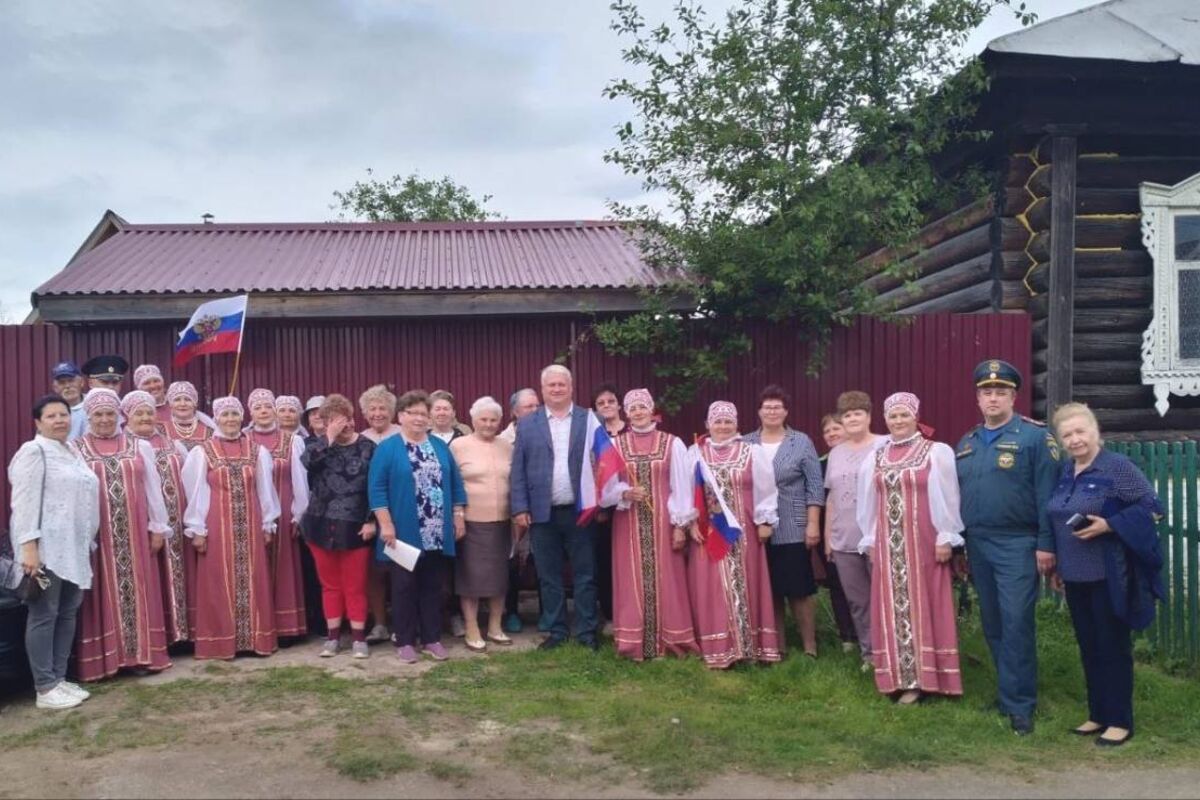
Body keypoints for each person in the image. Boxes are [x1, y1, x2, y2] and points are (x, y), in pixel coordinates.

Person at [1047, 403, 1163, 747]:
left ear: (1095, 431)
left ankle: (1120, 721)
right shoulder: (1066, 472)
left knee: (1113, 647)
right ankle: (1098, 714)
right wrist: (1060, 567)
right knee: (1090, 647)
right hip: (1075, 576)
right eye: (1067, 434)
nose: (1075, 439)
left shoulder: (1117, 468)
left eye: (1081, 431)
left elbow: (1153, 508)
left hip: (1109, 574)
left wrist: (1110, 524)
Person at [955, 359, 1060, 735]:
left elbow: (1050, 496)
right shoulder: (966, 442)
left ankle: (1021, 707)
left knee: (1016, 622)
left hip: (1019, 542)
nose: (993, 397)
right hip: (978, 542)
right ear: (978, 398)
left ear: (1014, 396)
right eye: (987, 391)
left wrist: (1047, 545)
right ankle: (1007, 694)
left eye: (1001, 391)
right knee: (994, 623)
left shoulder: (1035, 438)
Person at [856, 392, 963, 704]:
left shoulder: (935, 452)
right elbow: (868, 503)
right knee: (892, 607)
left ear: (916, 417)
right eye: (893, 416)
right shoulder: (876, 456)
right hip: (889, 545)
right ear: (885, 420)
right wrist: (871, 537)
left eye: (904, 415)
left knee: (926, 603)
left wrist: (947, 534)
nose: (898, 421)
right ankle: (899, 676)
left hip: (924, 541)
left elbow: (948, 495)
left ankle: (930, 677)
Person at [71, 388, 173, 681]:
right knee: (102, 594)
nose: (104, 419)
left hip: (136, 532)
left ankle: (141, 656)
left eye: (109, 414)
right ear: (89, 417)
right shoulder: (77, 449)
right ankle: (106, 660)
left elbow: (154, 489)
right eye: (98, 415)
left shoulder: (138, 446)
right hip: (99, 538)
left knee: (140, 591)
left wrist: (158, 526)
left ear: (119, 415)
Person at [8, 395, 100, 709]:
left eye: (64, 414)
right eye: (52, 416)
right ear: (38, 422)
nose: (60, 420)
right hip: (47, 548)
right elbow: (23, 502)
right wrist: (29, 546)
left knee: (68, 610)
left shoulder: (72, 451)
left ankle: (59, 678)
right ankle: (45, 686)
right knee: (44, 614)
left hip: (74, 547)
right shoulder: (33, 452)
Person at [368, 390, 467, 663]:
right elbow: (376, 490)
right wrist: (385, 525)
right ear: (401, 416)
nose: (420, 418)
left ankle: (432, 639)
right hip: (402, 532)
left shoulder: (438, 446)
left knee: (433, 587)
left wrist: (458, 515)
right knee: (403, 587)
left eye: (425, 414)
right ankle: (405, 640)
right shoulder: (387, 448)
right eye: (414, 413)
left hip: (436, 531)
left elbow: (456, 484)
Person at [600, 389, 698, 661]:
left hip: (663, 523)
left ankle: (671, 640)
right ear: (626, 412)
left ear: (651, 408)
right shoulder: (616, 445)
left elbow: (682, 487)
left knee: (668, 578)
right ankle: (634, 642)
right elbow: (605, 488)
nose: (638, 412)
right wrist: (624, 492)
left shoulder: (671, 443)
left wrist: (680, 525)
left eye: (642, 407)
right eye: (633, 408)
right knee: (631, 579)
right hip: (628, 523)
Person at [181, 396, 281, 659]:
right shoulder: (202, 451)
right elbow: (196, 491)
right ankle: (221, 643)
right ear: (217, 418)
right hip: (217, 526)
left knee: (254, 578)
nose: (229, 420)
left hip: (250, 525)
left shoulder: (257, 451)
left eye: (234, 415)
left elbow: (264, 490)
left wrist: (267, 523)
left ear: (241, 418)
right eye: (224, 415)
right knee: (218, 581)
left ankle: (255, 640)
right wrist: (197, 528)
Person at [510, 365, 600, 651]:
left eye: (562, 385)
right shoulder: (527, 424)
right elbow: (518, 471)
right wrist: (519, 507)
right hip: (541, 512)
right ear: (543, 389)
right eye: (551, 386)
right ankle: (557, 630)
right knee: (548, 576)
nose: (557, 389)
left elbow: (604, 462)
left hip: (581, 510)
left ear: (571, 388)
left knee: (585, 574)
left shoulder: (589, 420)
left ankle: (587, 632)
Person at [686, 401, 780, 668]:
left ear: (736, 424)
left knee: (748, 583)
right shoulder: (696, 453)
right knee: (713, 588)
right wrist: (690, 521)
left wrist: (765, 520)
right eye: (717, 421)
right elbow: (685, 490)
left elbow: (767, 488)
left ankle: (751, 648)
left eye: (728, 421)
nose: (723, 426)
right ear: (708, 424)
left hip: (744, 533)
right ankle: (720, 648)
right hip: (709, 531)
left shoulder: (752, 452)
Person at [743, 385, 824, 658]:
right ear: (759, 412)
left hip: (792, 524)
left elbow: (814, 485)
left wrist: (813, 524)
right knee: (770, 588)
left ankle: (809, 646)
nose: (772, 411)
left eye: (777, 407)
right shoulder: (745, 443)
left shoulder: (801, 442)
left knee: (798, 588)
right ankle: (775, 645)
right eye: (767, 407)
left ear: (786, 411)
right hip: (755, 529)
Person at [299, 394, 377, 659]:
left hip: (354, 526)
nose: (345, 424)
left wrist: (371, 520)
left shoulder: (368, 447)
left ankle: (358, 638)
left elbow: (375, 488)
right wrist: (328, 438)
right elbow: (307, 464)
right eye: (337, 420)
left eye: (348, 418)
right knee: (329, 585)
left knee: (354, 585)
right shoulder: (317, 446)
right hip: (319, 525)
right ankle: (332, 638)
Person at [123, 390, 192, 645]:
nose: (144, 417)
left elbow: (191, 479)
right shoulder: (125, 445)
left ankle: (181, 634)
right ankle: (158, 637)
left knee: (177, 575)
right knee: (152, 578)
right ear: (127, 417)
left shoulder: (174, 444)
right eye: (138, 413)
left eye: (149, 412)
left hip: (175, 522)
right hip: (143, 524)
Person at [823, 392, 885, 669]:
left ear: (869, 416)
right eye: (847, 415)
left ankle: (891, 652)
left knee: (884, 597)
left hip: (879, 537)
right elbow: (833, 497)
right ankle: (869, 653)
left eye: (858, 413)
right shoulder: (836, 453)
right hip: (844, 538)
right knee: (858, 601)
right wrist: (828, 537)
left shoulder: (884, 444)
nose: (853, 418)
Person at [450, 396, 515, 651]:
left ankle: (495, 626)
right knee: (471, 578)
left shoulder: (507, 445)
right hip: (471, 521)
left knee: (499, 578)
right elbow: (453, 484)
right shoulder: (459, 445)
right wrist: (457, 515)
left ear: (500, 421)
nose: (488, 424)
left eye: (493, 420)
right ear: (473, 419)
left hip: (502, 520)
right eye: (483, 419)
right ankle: (472, 627)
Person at [247, 388, 310, 640]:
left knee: (284, 564)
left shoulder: (292, 441)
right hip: (252, 511)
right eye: (257, 407)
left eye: (267, 407)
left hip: (284, 510)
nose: (263, 411)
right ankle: (259, 624)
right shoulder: (242, 438)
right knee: (255, 565)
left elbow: (300, 480)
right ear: (250, 412)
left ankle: (285, 628)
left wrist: (299, 513)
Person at [812, 413, 859, 653]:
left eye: (836, 428)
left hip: (860, 531)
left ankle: (868, 633)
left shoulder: (864, 455)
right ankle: (847, 636)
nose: (831, 434)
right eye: (827, 431)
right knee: (838, 584)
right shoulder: (820, 463)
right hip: (829, 532)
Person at [360, 384, 402, 643]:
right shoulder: (360, 439)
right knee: (373, 573)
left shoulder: (402, 435)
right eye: (372, 409)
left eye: (382, 408)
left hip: (399, 512)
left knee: (400, 571)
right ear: (364, 413)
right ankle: (379, 624)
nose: (377, 413)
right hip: (367, 517)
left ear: (392, 411)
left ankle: (402, 622)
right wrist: (370, 519)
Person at [500, 387, 539, 634]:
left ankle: (546, 613)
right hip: (511, 510)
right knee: (511, 562)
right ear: (515, 411)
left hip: (541, 508)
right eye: (529, 407)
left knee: (541, 560)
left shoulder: (546, 433)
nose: (535, 411)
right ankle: (511, 612)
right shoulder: (503, 441)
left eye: (537, 406)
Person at [591, 381, 624, 628]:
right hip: (603, 510)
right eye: (601, 403)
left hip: (630, 506)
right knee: (604, 560)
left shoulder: (633, 432)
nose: (606, 406)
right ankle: (610, 613)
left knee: (628, 560)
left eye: (610, 401)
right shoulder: (595, 436)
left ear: (619, 405)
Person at [162, 381, 215, 450]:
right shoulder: (161, 431)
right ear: (171, 405)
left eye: (187, 399)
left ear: (195, 404)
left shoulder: (209, 432)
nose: (183, 404)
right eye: (177, 400)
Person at [49, 361, 88, 441]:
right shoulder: (49, 411)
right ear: (55, 388)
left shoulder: (93, 404)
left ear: (81, 382)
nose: (67, 386)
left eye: (71, 381)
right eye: (62, 383)